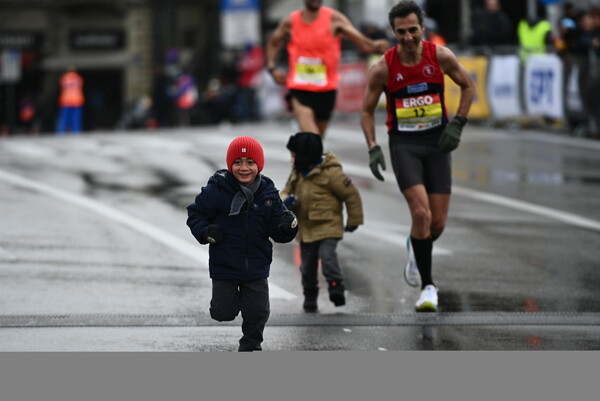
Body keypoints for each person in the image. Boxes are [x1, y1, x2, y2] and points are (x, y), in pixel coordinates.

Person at [360, 1, 474, 312]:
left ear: (422, 28)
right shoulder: (383, 67)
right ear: (393, 32)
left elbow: (468, 86)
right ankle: (428, 287)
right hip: (404, 146)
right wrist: (372, 146)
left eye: (413, 30)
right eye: (401, 32)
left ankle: (417, 243)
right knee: (420, 214)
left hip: (438, 145)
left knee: (436, 223)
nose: (408, 37)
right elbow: (367, 111)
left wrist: (458, 124)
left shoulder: (441, 56)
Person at [186, 136, 298, 351]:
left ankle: (251, 345)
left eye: (250, 162)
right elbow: (195, 214)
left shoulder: (268, 194)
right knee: (222, 312)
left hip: (256, 265)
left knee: (258, 312)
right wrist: (206, 232)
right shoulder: (216, 191)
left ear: (259, 165)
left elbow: (280, 229)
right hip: (224, 264)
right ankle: (232, 302)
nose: (244, 168)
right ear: (230, 165)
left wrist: (288, 227)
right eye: (238, 162)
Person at [266, 0, 389, 138]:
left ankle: (299, 155)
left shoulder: (334, 18)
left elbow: (363, 43)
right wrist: (272, 68)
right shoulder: (291, 21)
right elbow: (274, 42)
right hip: (299, 89)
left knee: (317, 142)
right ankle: (303, 150)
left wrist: (375, 46)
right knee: (311, 138)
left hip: (326, 90)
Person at [281, 132, 364, 312]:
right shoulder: (297, 174)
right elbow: (285, 191)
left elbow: (351, 195)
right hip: (306, 230)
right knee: (307, 266)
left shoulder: (331, 173)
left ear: (305, 156)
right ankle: (310, 294)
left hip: (328, 226)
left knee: (328, 258)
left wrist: (354, 219)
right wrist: (286, 202)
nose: (291, 160)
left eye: (294, 156)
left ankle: (336, 286)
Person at [56, 66, 85, 135]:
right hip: (77, 101)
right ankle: (76, 132)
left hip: (66, 101)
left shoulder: (65, 78)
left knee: (64, 119)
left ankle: (61, 133)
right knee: (75, 120)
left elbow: (61, 87)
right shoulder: (78, 78)